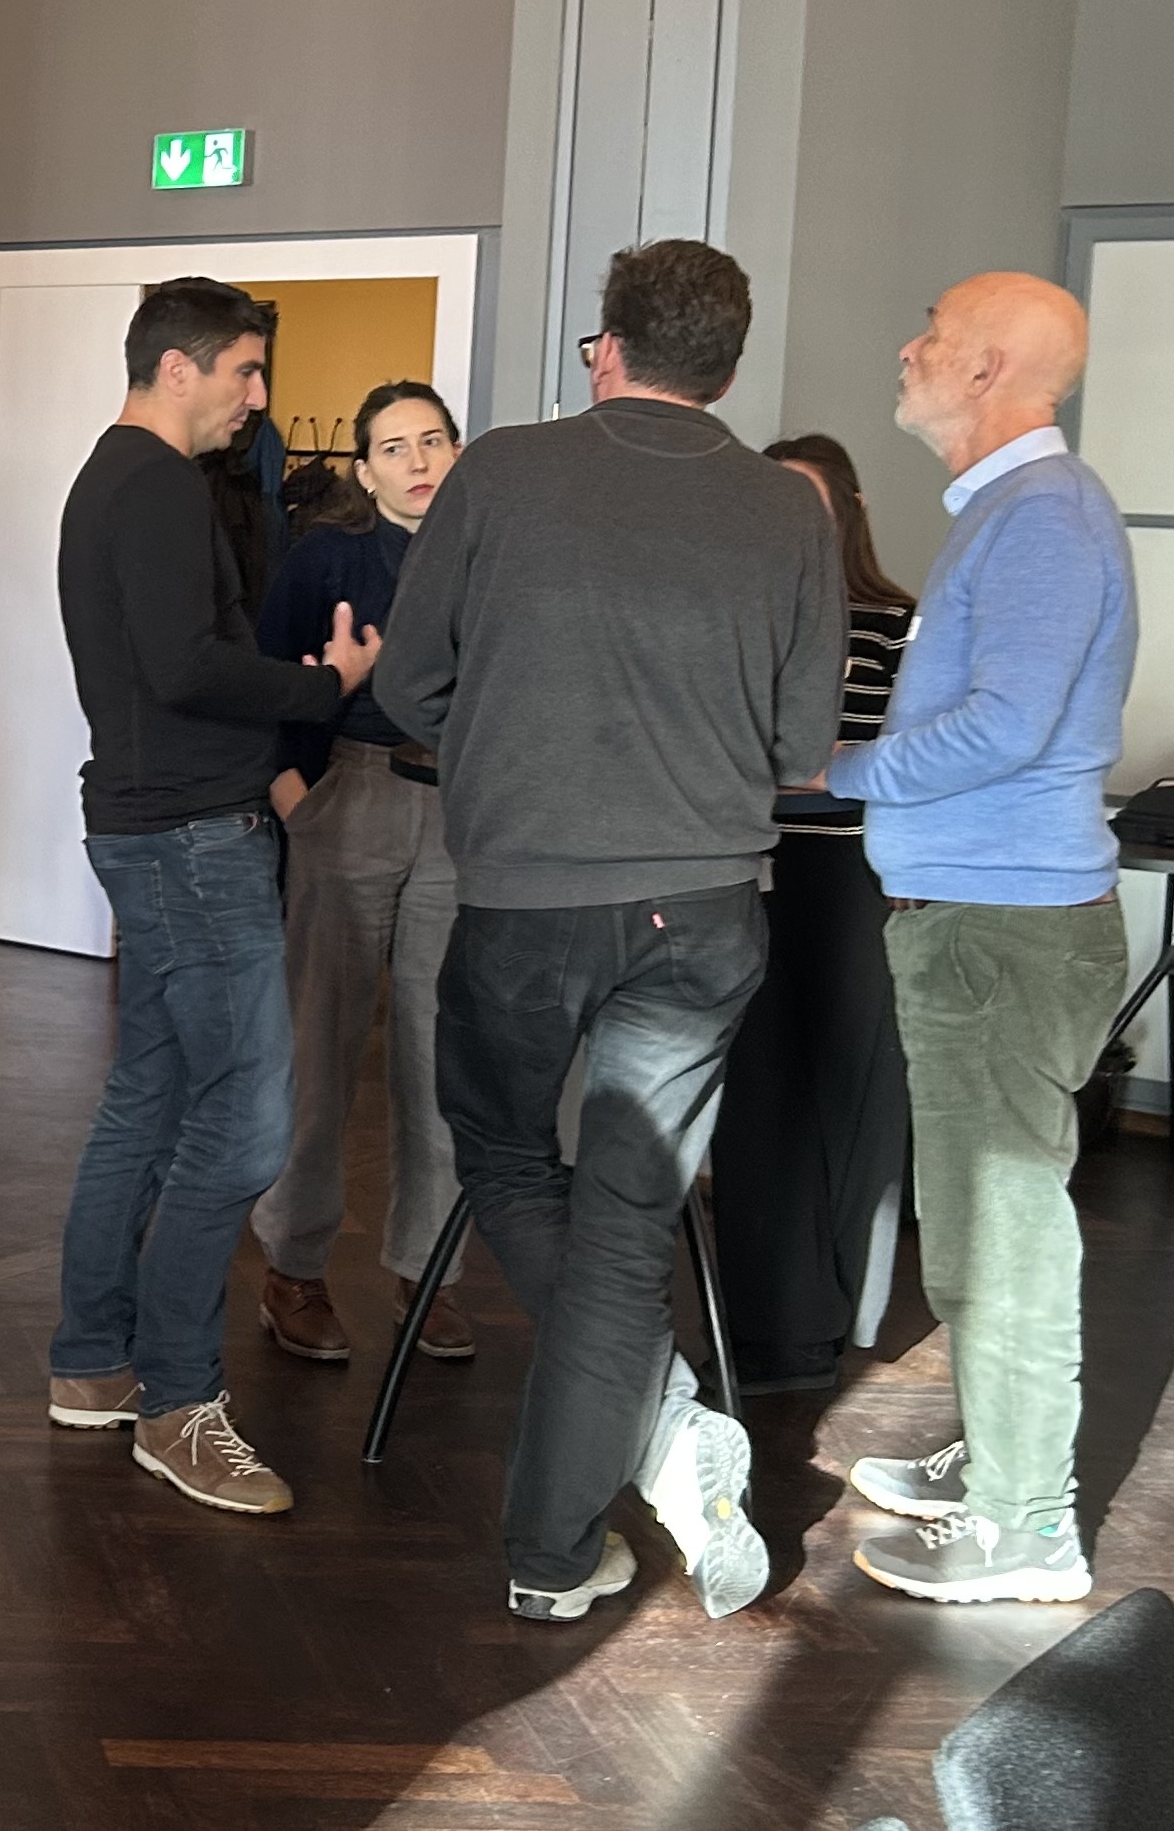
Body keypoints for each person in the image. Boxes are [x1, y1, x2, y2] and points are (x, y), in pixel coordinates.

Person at [375, 237, 841, 1622]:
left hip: (525, 899)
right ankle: (555, 1547)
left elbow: (408, 684)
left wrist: (506, 745)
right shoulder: (790, 508)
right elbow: (801, 747)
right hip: (703, 909)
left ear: (609, 348)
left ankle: (657, 1434)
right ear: (730, 371)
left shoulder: (502, 471)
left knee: (507, 1154)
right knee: (631, 1221)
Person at [831, 273, 1136, 1607]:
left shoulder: (1046, 517)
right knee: (970, 1220)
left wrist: (839, 770)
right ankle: (1002, 1457)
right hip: (984, 921)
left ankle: (1026, 1525)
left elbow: (1008, 728)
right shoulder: (1013, 511)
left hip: (1003, 930)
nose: (909, 349)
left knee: (1004, 1234)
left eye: (936, 334)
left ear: (989, 369)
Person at [48, 278, 372, 1519]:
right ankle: (180, 1402)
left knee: (149, 1100)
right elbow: (185, 668)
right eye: (244, 370)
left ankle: (93, 1366)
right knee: (244, 1123)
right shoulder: (157, 486)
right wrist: (322, 685)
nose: (259, 397)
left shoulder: (119, 478)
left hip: (158, 827)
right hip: (188, 839)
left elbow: (171, 663)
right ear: (176, 368)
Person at [248, 380, 470, 1369]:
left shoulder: (488, 554)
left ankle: (429, 1274)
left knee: (440, 1054)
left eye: (433, 441)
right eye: (393, 447)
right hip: (352, 792)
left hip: (459, 810)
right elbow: (268, 680)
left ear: (458, 451)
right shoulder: (326, 557)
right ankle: (291, 1269)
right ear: (364, 469)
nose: (417, 462)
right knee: (321, 1045)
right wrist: (297, 799)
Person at [711, 434, 919, 1394]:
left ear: (849, 510)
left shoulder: (896, 624)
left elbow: (905, 755)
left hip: (853, 878)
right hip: (742, 869)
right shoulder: (740, 613)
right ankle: (767, 1331)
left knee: (847, 1097)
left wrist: (815, 766)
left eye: (809, 502)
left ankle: (832, 1321)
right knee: (758, 1101)